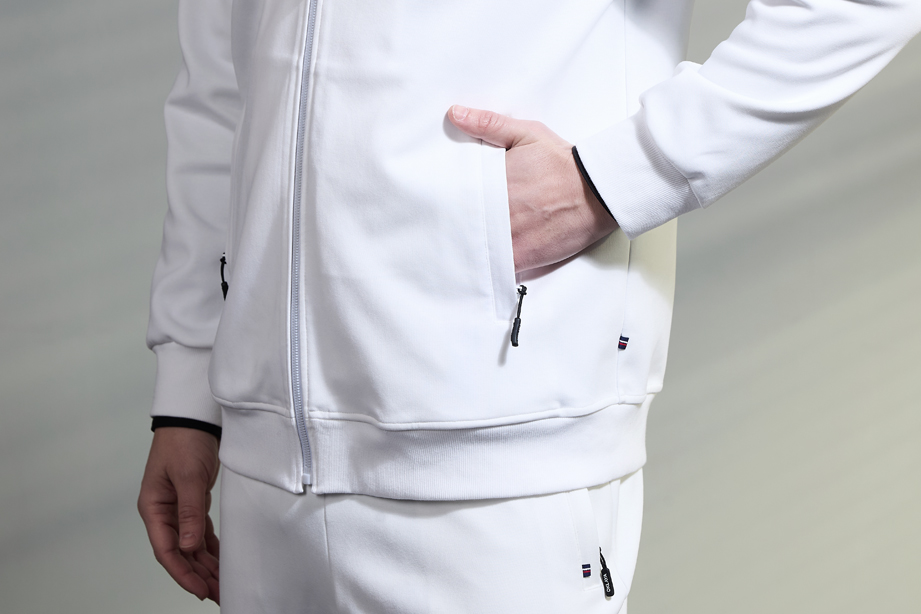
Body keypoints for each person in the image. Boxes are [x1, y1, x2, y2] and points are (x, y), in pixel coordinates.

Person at [137, 0, 921, 611]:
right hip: (263, 472)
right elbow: (221, 91)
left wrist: (619, 175)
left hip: (499, 455)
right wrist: (189, 393)